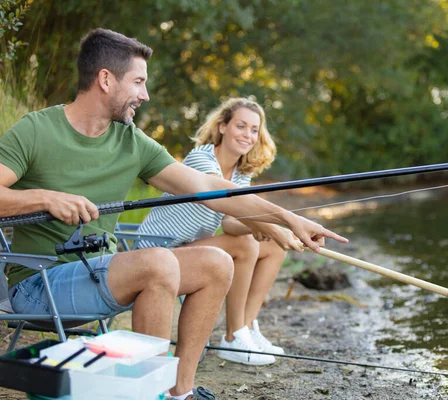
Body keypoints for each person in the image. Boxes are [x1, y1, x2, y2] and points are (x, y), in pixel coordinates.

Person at [0, 28, 347, 400]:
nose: (144, 95)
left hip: (101, 273)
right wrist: (44, 198)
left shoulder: (131, 142)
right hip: (37, 284)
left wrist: (288, 218)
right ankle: (150, 393)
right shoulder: (35, 131)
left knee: (216, 262)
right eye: (138, 82)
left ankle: (178, 392)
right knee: (159, 263)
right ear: (105, 80)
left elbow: (208, 188)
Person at [137, 98, 298, 365]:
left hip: (188, 250)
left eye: (254, 130)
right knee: (246, 245)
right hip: (156, 252)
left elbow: (232, 222)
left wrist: (268, 231)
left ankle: (247, 327)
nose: (248, 135)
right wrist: (271, 226)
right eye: (241, 126)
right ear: (222, 127)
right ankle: (233, 339)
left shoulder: (240, 172)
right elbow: (228, 206)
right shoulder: (202, 158)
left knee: (272, 247)